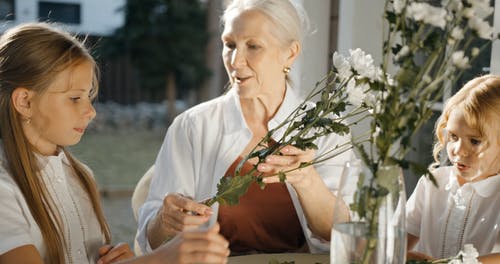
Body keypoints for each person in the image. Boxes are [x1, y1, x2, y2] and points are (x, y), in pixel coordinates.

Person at [137, 0, 355, 255]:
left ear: (291, 53)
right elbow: (151, 241)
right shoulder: (192, 127)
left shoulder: (326, 130)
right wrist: (165, 220)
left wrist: (306, 179)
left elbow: (346, 235)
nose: (235, 61)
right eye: (229, 45)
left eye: (253, 46)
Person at [0, 22, 229, 264]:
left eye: (88, 97)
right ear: (25, 101)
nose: (90, 112)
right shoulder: (4, 188)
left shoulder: (80, 177)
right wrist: (159, 260)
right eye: (75, 98)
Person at [406, 75, 500, 263]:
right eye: (454, 137)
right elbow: (397, 241)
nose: (458, 150)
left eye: (474, 141)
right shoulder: (431, 183)